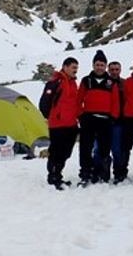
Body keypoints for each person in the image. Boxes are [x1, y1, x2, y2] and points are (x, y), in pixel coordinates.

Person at [77, 50, 120, 185]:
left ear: (105, 66)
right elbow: (78, 99)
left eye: (102, 65)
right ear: (93, 65)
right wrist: (81, 115)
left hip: (105, 120)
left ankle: (101, 172)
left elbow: (116, 102)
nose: (99, 67)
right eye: (97, 64)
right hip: (89, 119)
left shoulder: (110, 82)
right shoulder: (86, 80)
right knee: (85, 147)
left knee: (104, 148)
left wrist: (113, 117)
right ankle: (85, 172)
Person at [43, 57, 80, 189]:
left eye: (76, 67)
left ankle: (58, 174)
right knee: (56, 151)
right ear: (65, 67)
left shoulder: (73, 83)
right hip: (58, 125)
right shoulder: (56, 82)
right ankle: (53, 176)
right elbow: (45, 102)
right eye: (73, 67)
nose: (75, 70)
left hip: (70, 124)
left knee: (66, 152)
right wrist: (53, 116)